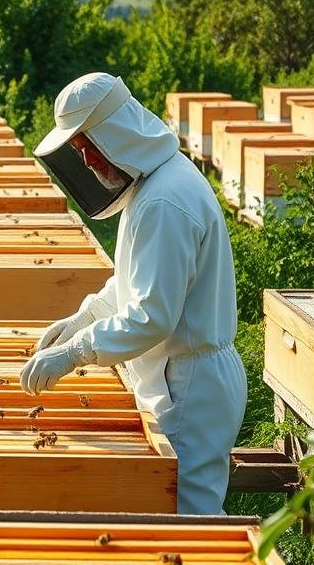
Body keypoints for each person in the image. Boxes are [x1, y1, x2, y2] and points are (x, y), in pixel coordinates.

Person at [18, 72, 247, 515]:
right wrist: (83, 318)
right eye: (77, 151)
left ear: (115, 133)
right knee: (171, 515)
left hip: (188, 385)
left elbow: (151, 316)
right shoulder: (155, 185)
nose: (85, 161)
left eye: (87, 146)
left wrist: (76, 352)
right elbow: (134, 283)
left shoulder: (164, 202)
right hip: (179, 375)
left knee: (190, 523)